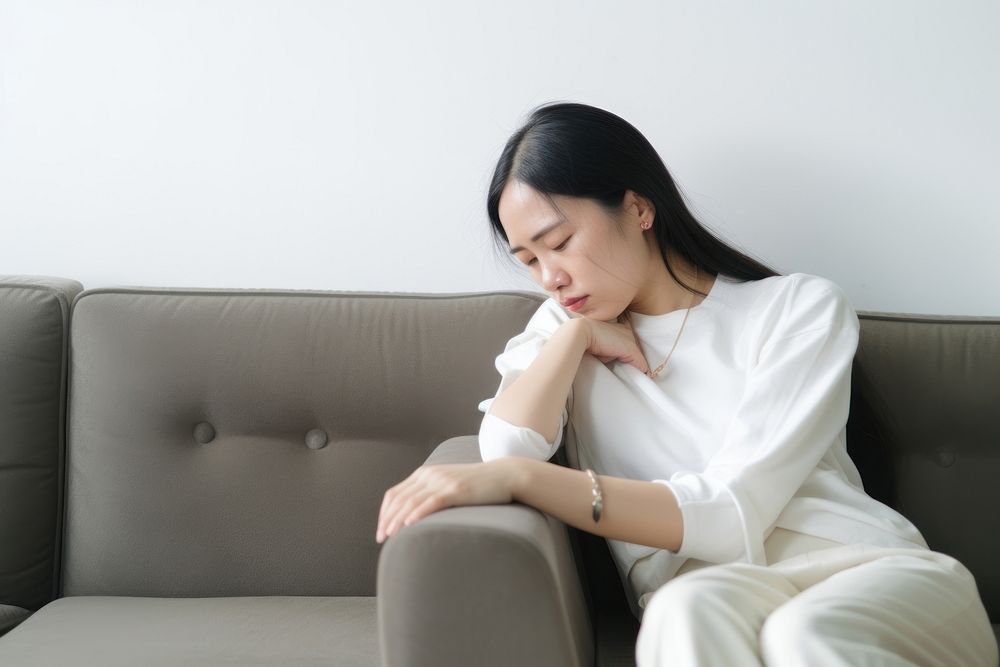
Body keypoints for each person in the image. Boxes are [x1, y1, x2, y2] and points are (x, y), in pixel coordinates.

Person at [375, 101, 998, 666]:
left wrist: (523, 480)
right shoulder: (562, 331)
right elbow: (508, 448)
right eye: (530, 261)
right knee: (682, 611)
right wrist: (574, 339)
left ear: (639, 207)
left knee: (805, 635)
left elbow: (730, 511)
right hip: (709, 593)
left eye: (559, 242)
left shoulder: (795, 308)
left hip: (867, 575)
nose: (550, 277)